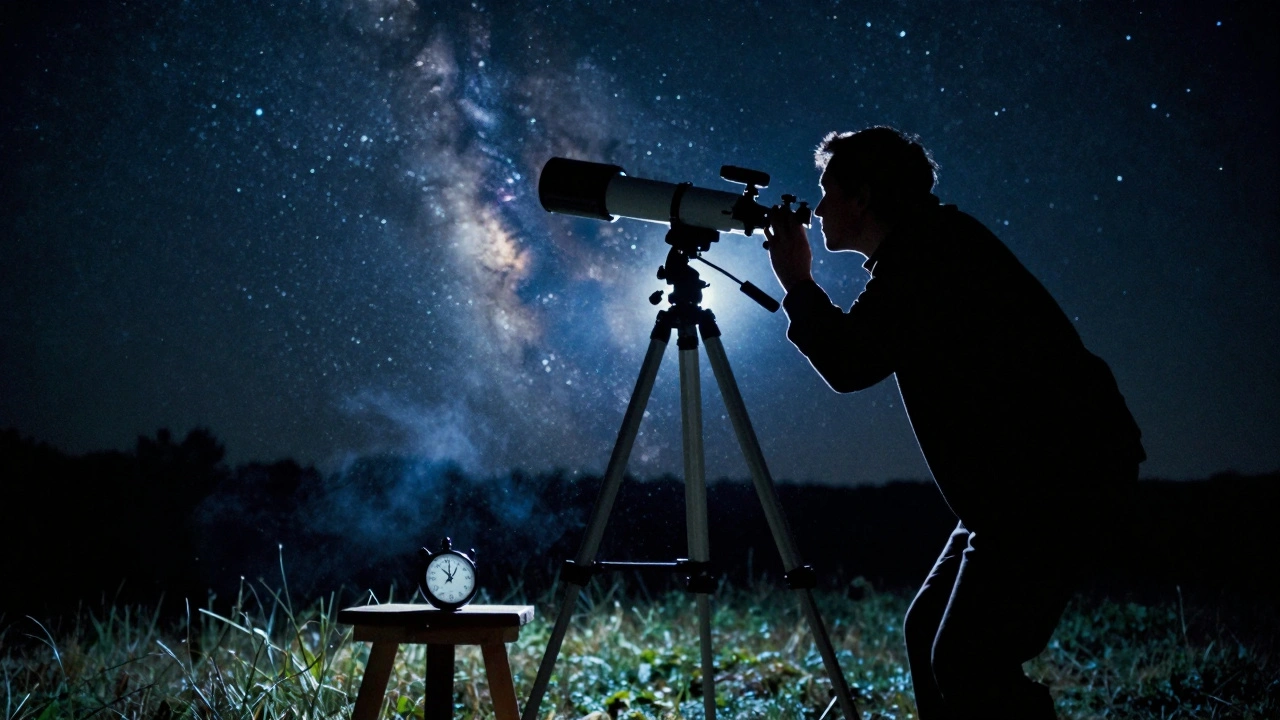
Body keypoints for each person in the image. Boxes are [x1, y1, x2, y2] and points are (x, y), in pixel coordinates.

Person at [764, 126, 1145, 720]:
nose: (816, 210)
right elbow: (859, 350)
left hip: (1054, 486)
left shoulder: (927, 258)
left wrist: (798, 283)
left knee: (969, 659)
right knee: (930, 636)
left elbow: (848, 362)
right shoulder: (927, 246)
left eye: (827, 191)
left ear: (862, 197)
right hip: (1020, 490)